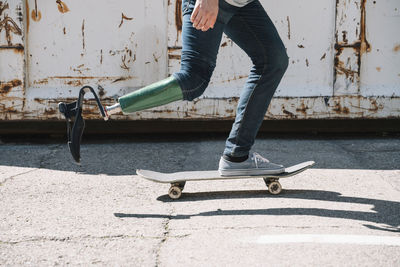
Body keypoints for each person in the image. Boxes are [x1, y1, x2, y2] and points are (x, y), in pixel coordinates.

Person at [67, 0, 289, 175]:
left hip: (242, 4)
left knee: (274, 60)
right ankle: (104, 108)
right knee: (193, 79)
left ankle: (237, 156)